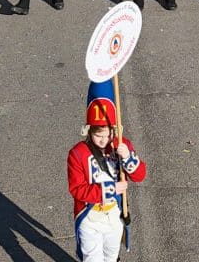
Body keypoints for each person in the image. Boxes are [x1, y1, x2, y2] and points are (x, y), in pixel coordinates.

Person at [68, 81, 147, 262]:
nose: (104, 140)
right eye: (98, 135)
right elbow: (76, 189)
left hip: (113, 216)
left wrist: (128, 157)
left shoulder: (121, 143)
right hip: (90, 217)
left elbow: (140, 175)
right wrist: (110, 189)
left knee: (111, 257)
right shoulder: (77, 153)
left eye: (107, 134)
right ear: (88, 131)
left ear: (115, 129)